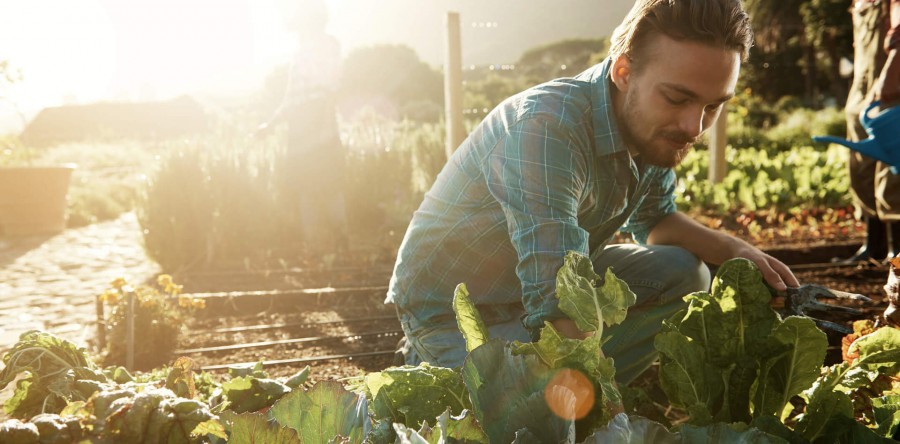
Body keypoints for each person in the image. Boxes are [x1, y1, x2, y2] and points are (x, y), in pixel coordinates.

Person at [385, 0, 800, 385]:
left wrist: (733, 249)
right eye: (677, 98)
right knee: (528, 411)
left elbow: (654, 221)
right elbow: (558, 300)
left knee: (685, 271)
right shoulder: (546, 129)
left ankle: (577, 393)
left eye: (713, 106)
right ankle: (441, 368)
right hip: (457, 319)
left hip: (533, 298)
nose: (694, 127)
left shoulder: (651, 129)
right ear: (623, 73)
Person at [257, 0, 348, 257]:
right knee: (306, 188)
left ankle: (338, 246)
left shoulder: (326, 45)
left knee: (329, 186)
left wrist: (324, 126)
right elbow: (292, 97)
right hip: (302, 125)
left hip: (317, 121)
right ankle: (317, 248)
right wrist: (270, 124)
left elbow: (330, 88)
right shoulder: (302, 49)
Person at [836, 0, 900, 263]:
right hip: (862, 89)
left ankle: (896, 251)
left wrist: (893, 70)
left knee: (891, 170)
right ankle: (872, 245)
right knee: (861, 168)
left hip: (890, 84)